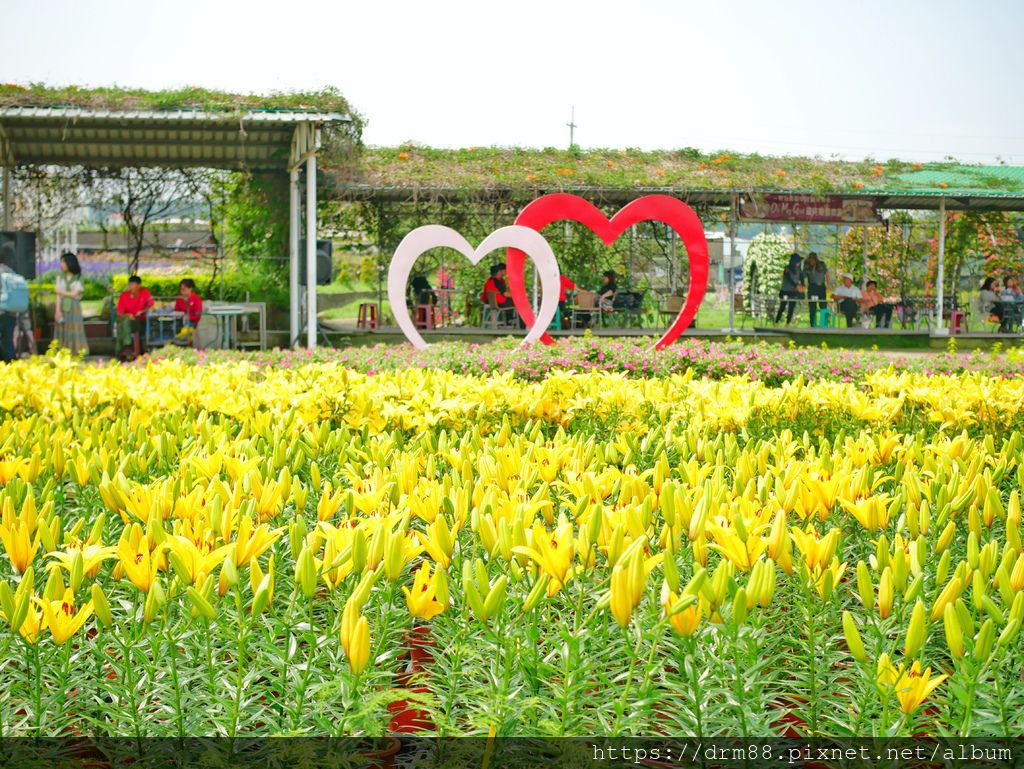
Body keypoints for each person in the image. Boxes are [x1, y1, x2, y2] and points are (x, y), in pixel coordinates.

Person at [54, 252, 89, 356]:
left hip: (74, 307)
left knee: (74, 328)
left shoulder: (78, 278)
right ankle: (61, 352)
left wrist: (61, 292)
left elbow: (74, 294)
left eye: (63, 262)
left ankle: (77, 351)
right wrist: (57, 310)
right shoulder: (60, 277)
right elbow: (58, 296)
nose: (61, 264)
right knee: (61, 328)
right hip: (62, 306)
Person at [115, 275, 154, 360]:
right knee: (125, 322)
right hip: (128, 321)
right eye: (129, 284)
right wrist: (128, 315)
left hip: (141, 320)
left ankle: (126, 347)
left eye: (133, 284)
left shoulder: (145, 292)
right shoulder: (124, 295)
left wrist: (143, 311)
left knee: (126, 324)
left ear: (139, 285)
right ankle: (127, 345)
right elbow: (119, 313)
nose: (130, 287)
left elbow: (151, 307)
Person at [0, 252, 24, 363]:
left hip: (1, 310)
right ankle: (10, 362)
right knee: (7, 338)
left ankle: (7, 361)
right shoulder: (11, 271)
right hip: (11, 311)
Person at [774, 253, 805, 324]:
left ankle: (788, 322)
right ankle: (777, 321)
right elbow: (789, 279)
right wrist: (796, 285)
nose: (799, 263)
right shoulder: (787, 269)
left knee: (791, 307)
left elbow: (802, 278)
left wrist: (802, 286)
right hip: (785, 291)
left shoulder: (799, 270)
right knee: (782, 306)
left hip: (793, 292)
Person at [801, 252, 829, 326]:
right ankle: (813, 324)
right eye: (810, 259)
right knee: (812, 307)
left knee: (823, 306)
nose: (812, 261)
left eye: (813, 259)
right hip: (812, 287)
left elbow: (827, 274)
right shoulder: (807, 266)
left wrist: (829, 284)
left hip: (821, 287)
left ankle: (824, 324)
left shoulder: (822, 264)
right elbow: (803, 277)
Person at [172, 278, 203, 346]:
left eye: (184, 290)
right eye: (181, 290)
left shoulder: (196, 299)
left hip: (191, 322)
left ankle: (179, 342)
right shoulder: (179, 298)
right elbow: (176, 310)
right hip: (179, 320)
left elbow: (198, 315)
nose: (182, 292)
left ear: (190, 289)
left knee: (185, 332)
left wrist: (188, 317)